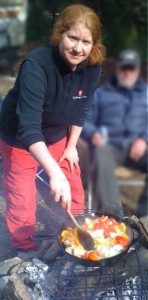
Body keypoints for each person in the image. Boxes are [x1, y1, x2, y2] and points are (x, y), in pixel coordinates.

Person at [0, 4, 105, 254]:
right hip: (20, 139)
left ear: (94, 45)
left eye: (86, 42)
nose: (78, 48)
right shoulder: (36, 65)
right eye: (72, 38)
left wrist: (70, 148)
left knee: (74, 187)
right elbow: (28, 128)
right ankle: (23, 249)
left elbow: (82, 108)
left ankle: (77, 232)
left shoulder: (92, 66)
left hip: (58, 135)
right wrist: (52, 173)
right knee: (22, 201)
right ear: (60, 34)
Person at [82, 49, 147, 216]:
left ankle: (144, 217)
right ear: (117, 69)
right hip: (109, 147)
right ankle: (114, 217)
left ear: (137, 70)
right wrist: (93, 133)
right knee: (101, 152)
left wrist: (143, 139)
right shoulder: (101, 94)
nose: (126, 72)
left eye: (131, 68)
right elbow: (84, 120)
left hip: (139, 148)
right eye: (123, 68)